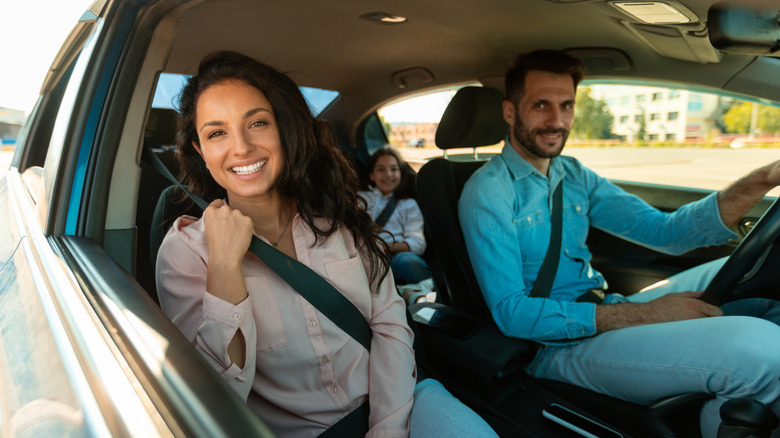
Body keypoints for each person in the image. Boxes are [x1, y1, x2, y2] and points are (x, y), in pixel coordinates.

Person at [155, 50, 496, 438]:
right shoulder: (186, 251)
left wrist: (387, 429)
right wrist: (224, 267)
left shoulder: (339, 217)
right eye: (217, 132)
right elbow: (217, 400)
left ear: (285, 128)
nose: (242, 147)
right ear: (201, 150)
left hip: (400, 406)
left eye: (258, 123)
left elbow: (390, 327)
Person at [458, 49, 780, 438]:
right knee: (765, 355)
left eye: (566, 106)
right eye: (541, 105)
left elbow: (667, 233)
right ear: (510, 112)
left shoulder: (573, 174)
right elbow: (513, 314)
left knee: (752, 271)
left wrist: (764, 179)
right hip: (551, 347)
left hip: (606, 308)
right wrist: (645, 315)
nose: (556, 121)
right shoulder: (488, 192)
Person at [359, 148, 435, 304]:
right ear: (372, 175)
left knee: (409, 261)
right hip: (366, 257)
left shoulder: (408, 204)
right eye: (381, 169)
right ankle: (404, 294)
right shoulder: (360, 200)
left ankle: (426, 303)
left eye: (394, 169)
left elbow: (417, 243)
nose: (388, 174)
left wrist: (383, 245)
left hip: (396, 257)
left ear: (400, 173)